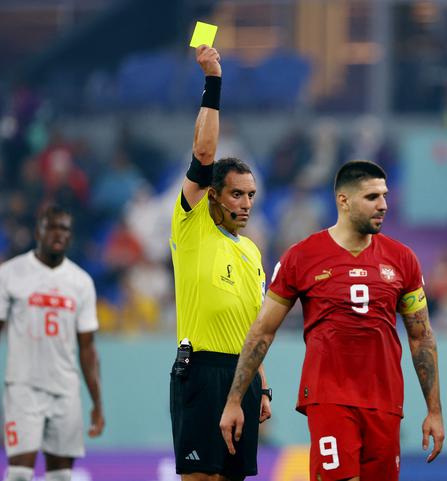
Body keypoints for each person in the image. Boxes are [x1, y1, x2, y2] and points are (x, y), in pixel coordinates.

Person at [220, 160, 445, 481]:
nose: (383, 205)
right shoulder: (302, 256)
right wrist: (234, 400)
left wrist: (434, 411)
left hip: (385, 402)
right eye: (371, 197)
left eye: (384, 196)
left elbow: (421, 337)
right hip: (330, 398)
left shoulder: (403, 260)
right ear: (343, 200)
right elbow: (262, 332)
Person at [168, 45, 271, 481]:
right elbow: (205, 153)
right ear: (212, 195)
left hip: (241, 376)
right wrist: (213, 81)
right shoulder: (191, 224)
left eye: (250, 195)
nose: (245, 204)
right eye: (236, 194)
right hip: (201, 369)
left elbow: (256, 327)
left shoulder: (252, 252)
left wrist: (262, 386)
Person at [0, 204, 105, 481]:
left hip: (65, 390)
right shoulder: (10, 273)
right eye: (52, 227)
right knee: (20, 473)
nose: (59, 234)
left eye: (65, 229)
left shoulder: (81, 282)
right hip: (23, 388)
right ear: (38, 231)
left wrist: (97, 401)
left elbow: (88, 347)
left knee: (60, 476)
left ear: (71, 236)